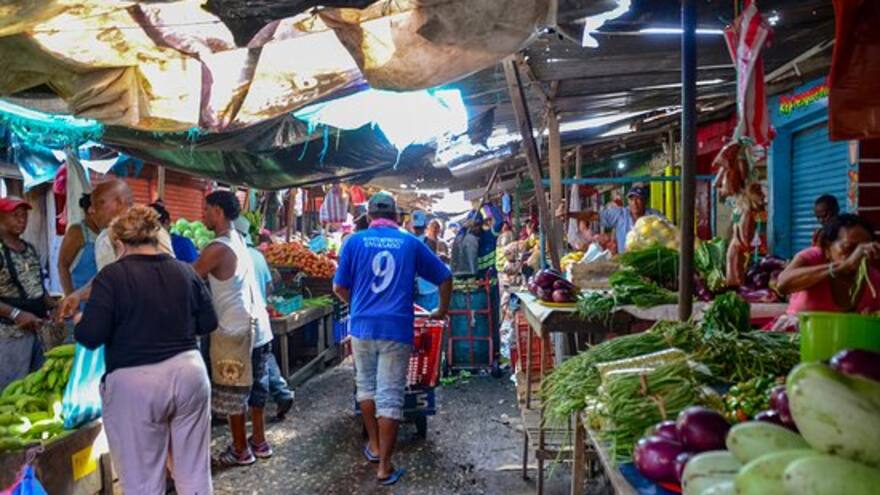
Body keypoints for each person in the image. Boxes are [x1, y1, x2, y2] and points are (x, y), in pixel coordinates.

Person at [74, 206, 217, 495]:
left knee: (143, 482)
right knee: (194, 473)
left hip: (135, 384)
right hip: (190, 375)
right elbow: (209, 322)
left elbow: (91, 336)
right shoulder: (185, 271)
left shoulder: (112, 276)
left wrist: (78, 320)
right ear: (156, 238)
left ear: (118, 244)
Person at [333, 191, 452, 486]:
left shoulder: (353, 242)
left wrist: (358, 304)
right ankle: (384, 466)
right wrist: (440, 310)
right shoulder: (410, 242)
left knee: (366, 388)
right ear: (397, 217)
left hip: (362, 327)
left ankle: (374, 446)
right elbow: (445, 276)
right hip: (397, 329)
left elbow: (339, 287)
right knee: (390, 396)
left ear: (370, 216)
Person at [194, 191, 272, 467]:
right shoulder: (239, 240)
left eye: (206, 210)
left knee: (233, 390)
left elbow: (189, 278)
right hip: (258, 327)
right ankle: (259, 442)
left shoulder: (217, 247)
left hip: (234, 331)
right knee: (256, 390)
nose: (202, 215)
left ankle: (241, 449)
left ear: (217, 211)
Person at [57, 179, 175, 319]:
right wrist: (77, 295)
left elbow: (167, 278)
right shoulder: (104, 238)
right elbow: (106, 278)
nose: (91, 210)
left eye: (99, 203)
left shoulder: (154, 232)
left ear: (119, 202)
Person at [234, 216, 294, 421]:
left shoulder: (235, 254)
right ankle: (282, 393)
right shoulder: (259, 256)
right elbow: (269, 286)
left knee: (254, 366)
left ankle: (247, 410)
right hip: (261, 315)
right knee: (265, 357)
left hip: (243, 317)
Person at [777, 213, 880, 318]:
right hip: (798, 331)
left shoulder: (874, 279)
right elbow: (782, 284)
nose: (857, 255)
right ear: (827, 247)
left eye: (863, 249)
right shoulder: (814, 257)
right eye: (848, 248)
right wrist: (842, 266)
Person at [0, 198, 53, 390]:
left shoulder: (29, 249)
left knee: (34, 387)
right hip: (8, 335)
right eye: (15, 216)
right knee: (10, 390)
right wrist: (16, 314)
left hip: (36, 331)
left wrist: (54, 306)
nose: (21, 220)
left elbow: (38, 287)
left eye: (24, 216)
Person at [560, 185, 665, 253]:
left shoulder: (654, 216)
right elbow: (592, 216)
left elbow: (668, 233)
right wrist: (569, 214)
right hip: (626, 261)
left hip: (650, 261)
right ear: (628, 201)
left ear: (645, 201)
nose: (635, 203)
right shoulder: (620, 214)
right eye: (632, 199)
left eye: (638, 199)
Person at [57, 193, 99, 296]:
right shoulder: (77, 231)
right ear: (90, 211)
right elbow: (62, 265)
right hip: (80, 298)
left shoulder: (105, 232)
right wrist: (70, 296)